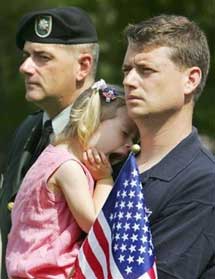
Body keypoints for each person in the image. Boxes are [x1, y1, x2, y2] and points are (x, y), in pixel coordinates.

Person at [0, 6, 100, 278]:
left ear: (83, 66)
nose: (24, 67)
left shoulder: (108, 132)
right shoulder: (29, 128)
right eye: (26, 56)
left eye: (42, 57)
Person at [5, 80, 137, 279]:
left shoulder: (54, 155)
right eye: (125, 133)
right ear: (92, 121)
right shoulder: (69, 167)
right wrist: (105, 179)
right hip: (46, 273)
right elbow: (93, 223)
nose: (129, 145)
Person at [120, 14, 215, 278]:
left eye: (146, 70)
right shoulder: (112, 163)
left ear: (190, 80)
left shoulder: (204, 183)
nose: (129, 81)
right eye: (127, 70)